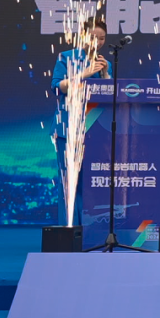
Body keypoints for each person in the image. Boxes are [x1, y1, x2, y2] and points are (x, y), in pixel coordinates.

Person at [51, 18, 110, 222]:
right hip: (68, 128)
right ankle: (68, 228)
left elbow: (109, 94)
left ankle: (89, 229)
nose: (98, 42)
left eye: (102, 38)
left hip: (95, 130)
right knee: (69, 181)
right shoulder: (66, 57)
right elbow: (58, 87)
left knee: (90, 183)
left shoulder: (104, 63)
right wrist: (84, 74)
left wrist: (105, 74)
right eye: (93, 37)